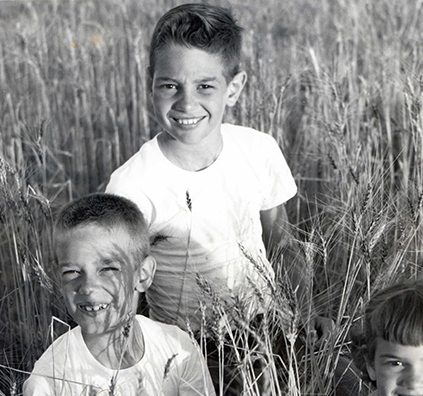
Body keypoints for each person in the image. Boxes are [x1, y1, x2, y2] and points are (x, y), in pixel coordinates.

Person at [105, 3, 298, 333]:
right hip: (191, 349)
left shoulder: (258, 149)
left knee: (355, 377)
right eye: (170, 86)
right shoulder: (131, 186)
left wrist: (300, 315)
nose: (187, 103)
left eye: (204, 86)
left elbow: (283, 244)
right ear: (150, 83)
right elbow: (119, 292)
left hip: (270, 329)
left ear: (233, 89)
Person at [23, 193, 217, 396]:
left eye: (108, 269)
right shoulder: (49, 377)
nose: (87, 287)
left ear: (143, 274)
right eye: (72, 272)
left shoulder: (179, 350)